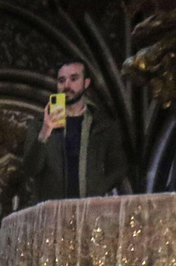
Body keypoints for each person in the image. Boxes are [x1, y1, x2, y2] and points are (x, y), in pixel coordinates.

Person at [17, 60, 128, 206]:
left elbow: (119, 168)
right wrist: (45, 132)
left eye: (74, 79)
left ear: (86, 83)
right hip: (53, 212)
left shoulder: (103, 125)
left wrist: (96, 188)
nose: (67, 86)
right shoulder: (40, 124)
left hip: (88, 211)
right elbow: (30, 169)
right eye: (62, 80)